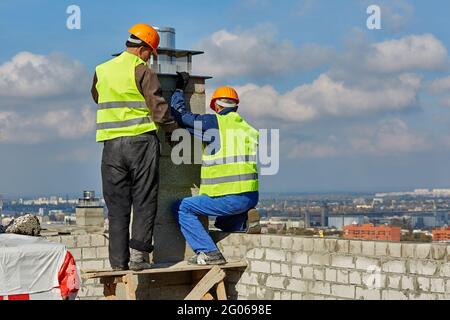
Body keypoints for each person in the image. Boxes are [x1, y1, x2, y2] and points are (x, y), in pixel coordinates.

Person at [91, 23, 178, 271]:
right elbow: (159, 111)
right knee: (144, 200)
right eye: (150, 53)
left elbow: (98, 96)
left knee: (117, 207)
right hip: (140, 142)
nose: (150, 59)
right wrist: (173, 129)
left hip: (111, 146)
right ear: (142, 49)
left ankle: (118, 263)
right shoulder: (142, 70)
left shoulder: (102, 70)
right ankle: (139, 258)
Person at [170, 81, 261, 265]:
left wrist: (178, 90)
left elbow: (182, 117)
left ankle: (209, 252)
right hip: (250, 197)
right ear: (235, 105)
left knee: (182, 207)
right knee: (221, 224)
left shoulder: (214, 123)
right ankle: (243, 220)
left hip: (228, 197)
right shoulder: (248, 129)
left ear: (216, 106)